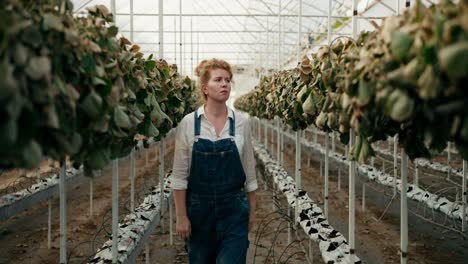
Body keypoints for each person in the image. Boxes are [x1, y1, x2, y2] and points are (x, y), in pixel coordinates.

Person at [170, 58, 258, 264]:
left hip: (234, 211)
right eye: (218, 80)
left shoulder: (241, 123)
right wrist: (181, 217)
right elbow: (179, 176)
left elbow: (249, 172)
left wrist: (252, 211)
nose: (225, 84)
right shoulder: (189, 123)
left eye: (228, 80)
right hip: (199, 214)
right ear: (205, 88)